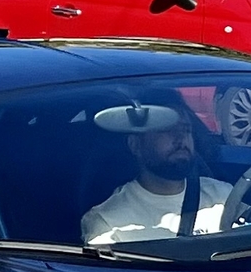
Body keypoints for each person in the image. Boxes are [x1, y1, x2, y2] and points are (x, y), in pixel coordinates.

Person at [80, 104, 230, 245]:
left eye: (186, 130)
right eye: (166, 129)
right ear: (135, 145)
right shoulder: (107, 221)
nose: (180, 138)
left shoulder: (225, 196)